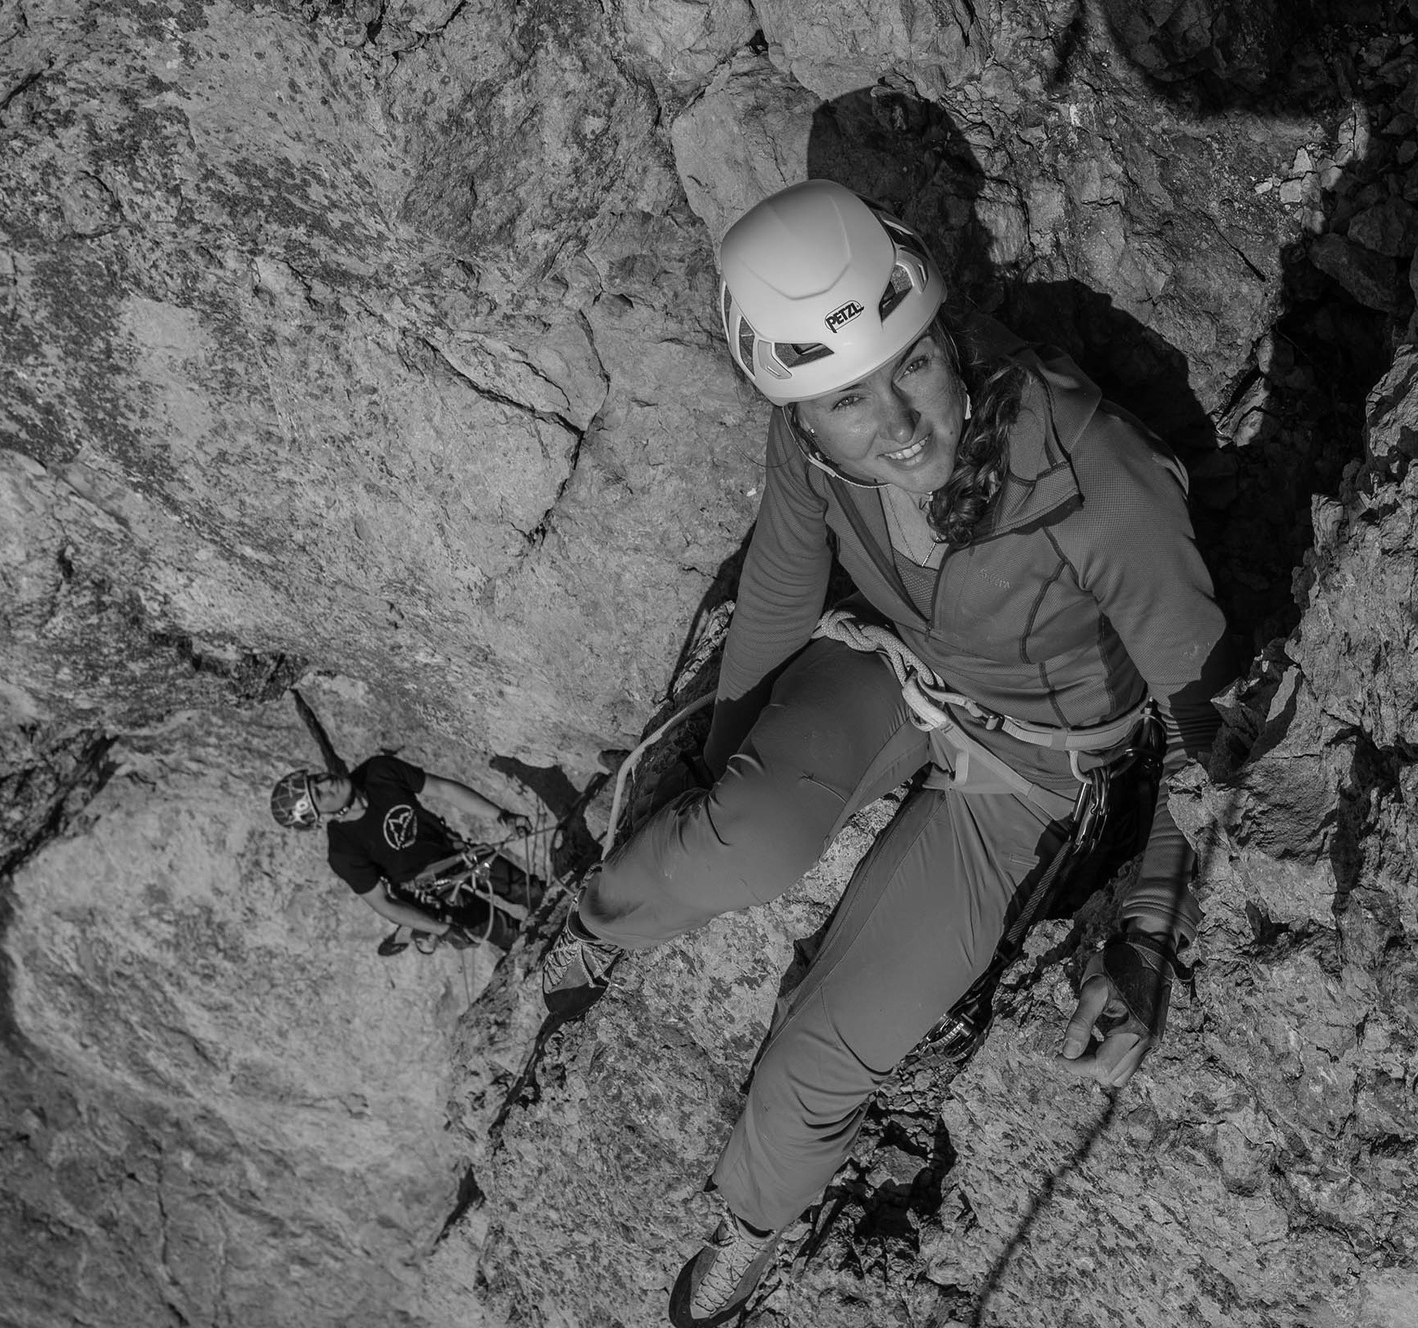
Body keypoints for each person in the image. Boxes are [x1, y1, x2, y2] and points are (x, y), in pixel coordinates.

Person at [539, 180, 1231, 1326]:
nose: (900, 424)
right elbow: (781, 578)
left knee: (833, 1042)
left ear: (944, 330)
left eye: (913, 366)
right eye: (848, 402)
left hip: (1038, 775)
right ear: (803, 410)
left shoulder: (1089, 474)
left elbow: (1203, 725)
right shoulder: (808, 427)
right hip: (900, 669)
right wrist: (726, 760)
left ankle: (754, 1221)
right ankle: (591, 929)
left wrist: (1149, 923)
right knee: (734, 844)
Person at [270, 754, 541, 949]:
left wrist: (503, 816)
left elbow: (442, 789)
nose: (328, 783)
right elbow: (382, 902)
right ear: (320, 817)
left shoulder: (377, 772)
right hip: (434, 893)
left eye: (318, 778)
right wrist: (442, 930)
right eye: (319, 794)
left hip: (459, 855)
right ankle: (415, 932)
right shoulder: (343, 850)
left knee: (533, 892)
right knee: (512, 936)